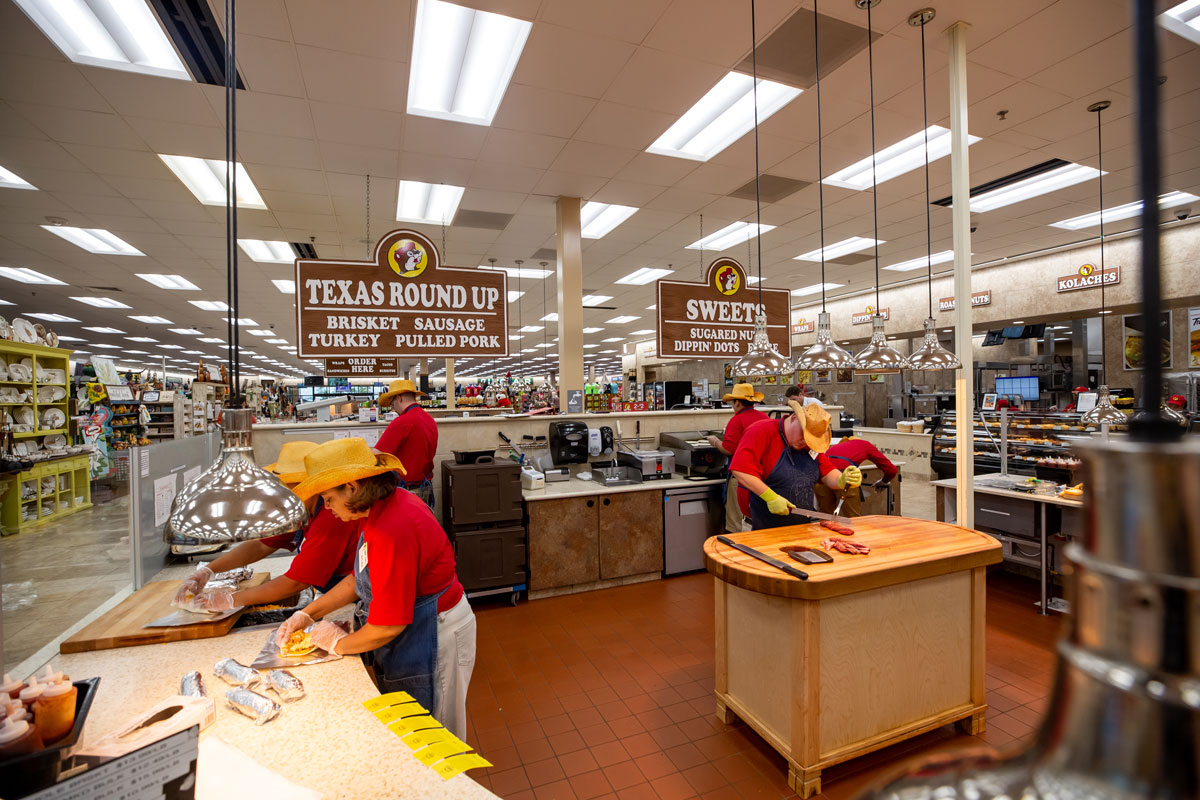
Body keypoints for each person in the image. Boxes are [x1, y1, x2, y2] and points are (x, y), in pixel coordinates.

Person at [274, 438, 475, 739]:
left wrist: (337, 645)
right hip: (417, 628)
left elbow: (387, 626)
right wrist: (308, 614)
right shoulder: (377, 512)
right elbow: (360, 579)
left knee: (436, 734)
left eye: (328, 497)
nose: (326, 507)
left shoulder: (392, 527)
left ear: (352, 487)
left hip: (437, 632)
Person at [173, 441, 363, 610]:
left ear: (310, 486)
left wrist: (230, 600)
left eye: (288, 487)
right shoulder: (303, 509)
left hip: (357, 601)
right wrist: (208, 571)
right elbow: (262, 545)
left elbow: (296, 583)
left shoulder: (333, 516)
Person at [731, 401, 861, 530]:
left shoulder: (809, 447)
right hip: (762, 528)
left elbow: (827, 473)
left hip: (802, 529)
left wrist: (842, 479)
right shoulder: (761, 431)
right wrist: (770, 497)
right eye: (803, 434)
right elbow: (740, 470)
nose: (805, 442)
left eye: (810, 439)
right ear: (794, 418)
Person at [708, 383, 769, 533]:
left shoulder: (737, 420)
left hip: (741, 478)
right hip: (763, 477)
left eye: (733, 402)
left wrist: (715, 442)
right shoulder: (765, 417)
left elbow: (729, 449)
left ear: (737, 402)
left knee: (735, 524)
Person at [375, 379, 438, 509]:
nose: (393, 407)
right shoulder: (430, 420)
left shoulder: (401, 422)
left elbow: (377, 455)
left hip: (408, 493)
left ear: (399, 398)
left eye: (392, 402)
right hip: (426, 489)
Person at [814, 434, 898, 517]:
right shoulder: (865, 445)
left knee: (825, 519)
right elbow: (891, 470)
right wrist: (884, 481)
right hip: (845, 480)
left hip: (822, 481)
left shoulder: (837, 446)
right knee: (853, 520)